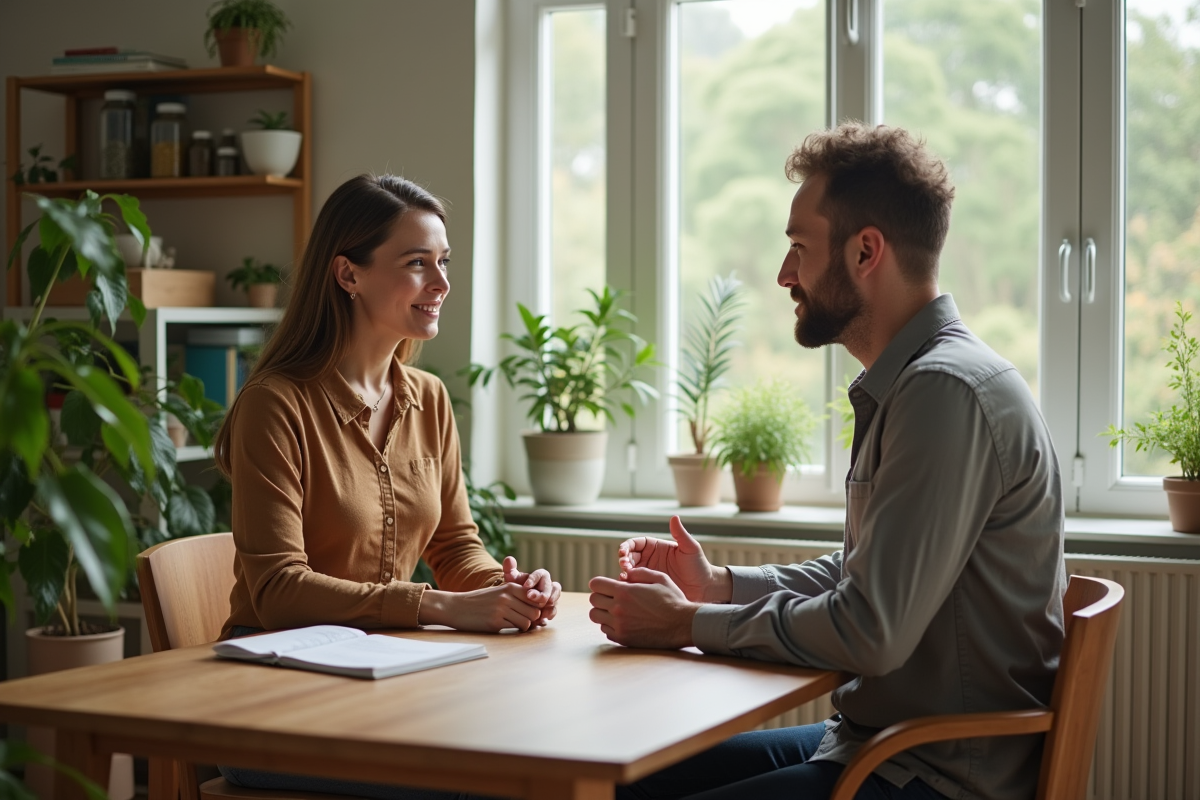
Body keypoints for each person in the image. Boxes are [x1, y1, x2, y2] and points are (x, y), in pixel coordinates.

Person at [589, 123, 1066, 800]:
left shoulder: (943, 393)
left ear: (867, 250)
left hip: (936, 772)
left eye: (798, 248)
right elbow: (863, 575)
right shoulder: (918, 383)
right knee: (629, 780)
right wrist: (718, 585)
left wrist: (683, 623)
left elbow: (870, 631)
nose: (785, 274)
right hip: (883, 742)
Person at [212, 174, 560, 799]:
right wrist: (436, 606)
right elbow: (278, 592)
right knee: (501, 783)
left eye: (444, 262)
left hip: (385, 679)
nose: (442, 284)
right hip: (270, 706)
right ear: (348, 275)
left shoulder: (428, 398)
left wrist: (505, 591)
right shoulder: (276, 405)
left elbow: (455, 547)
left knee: (546, 748)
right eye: (417, 264)